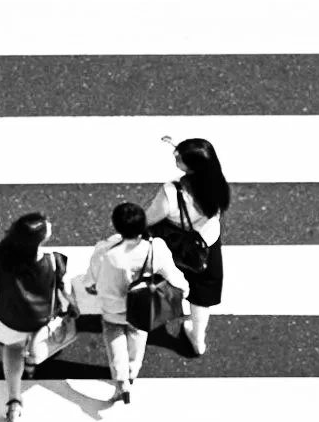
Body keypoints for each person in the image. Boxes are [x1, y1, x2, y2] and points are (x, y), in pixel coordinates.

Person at [83, 199, 187, 405]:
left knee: (114, 334)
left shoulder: (105, 250)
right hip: (142, 305)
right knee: (138, 333)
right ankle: (132, 371)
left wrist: (91, 286)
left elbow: (91, 279)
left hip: (113, 305)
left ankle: (121, 378)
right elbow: (176, 279)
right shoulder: (155, 248)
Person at [0, 210, 75, 422]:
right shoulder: (54, 261)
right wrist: (74, 307)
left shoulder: (1, 257)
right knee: (37, 338)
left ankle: (13, 400)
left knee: (12, 349)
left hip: (9, 316)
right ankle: (31, 361)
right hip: (42, 316)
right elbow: (65, 290)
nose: (49, 224)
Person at [145, 136, 230, 357]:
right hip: (206, 243)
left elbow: (150, 218)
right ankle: (197, 338)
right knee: (202, 293)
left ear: (191, 166)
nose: (175, 156)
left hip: (174, 245)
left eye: (179, 157)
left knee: (159, 280)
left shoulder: (171, 192)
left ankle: (150, 315)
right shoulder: (218, 184)